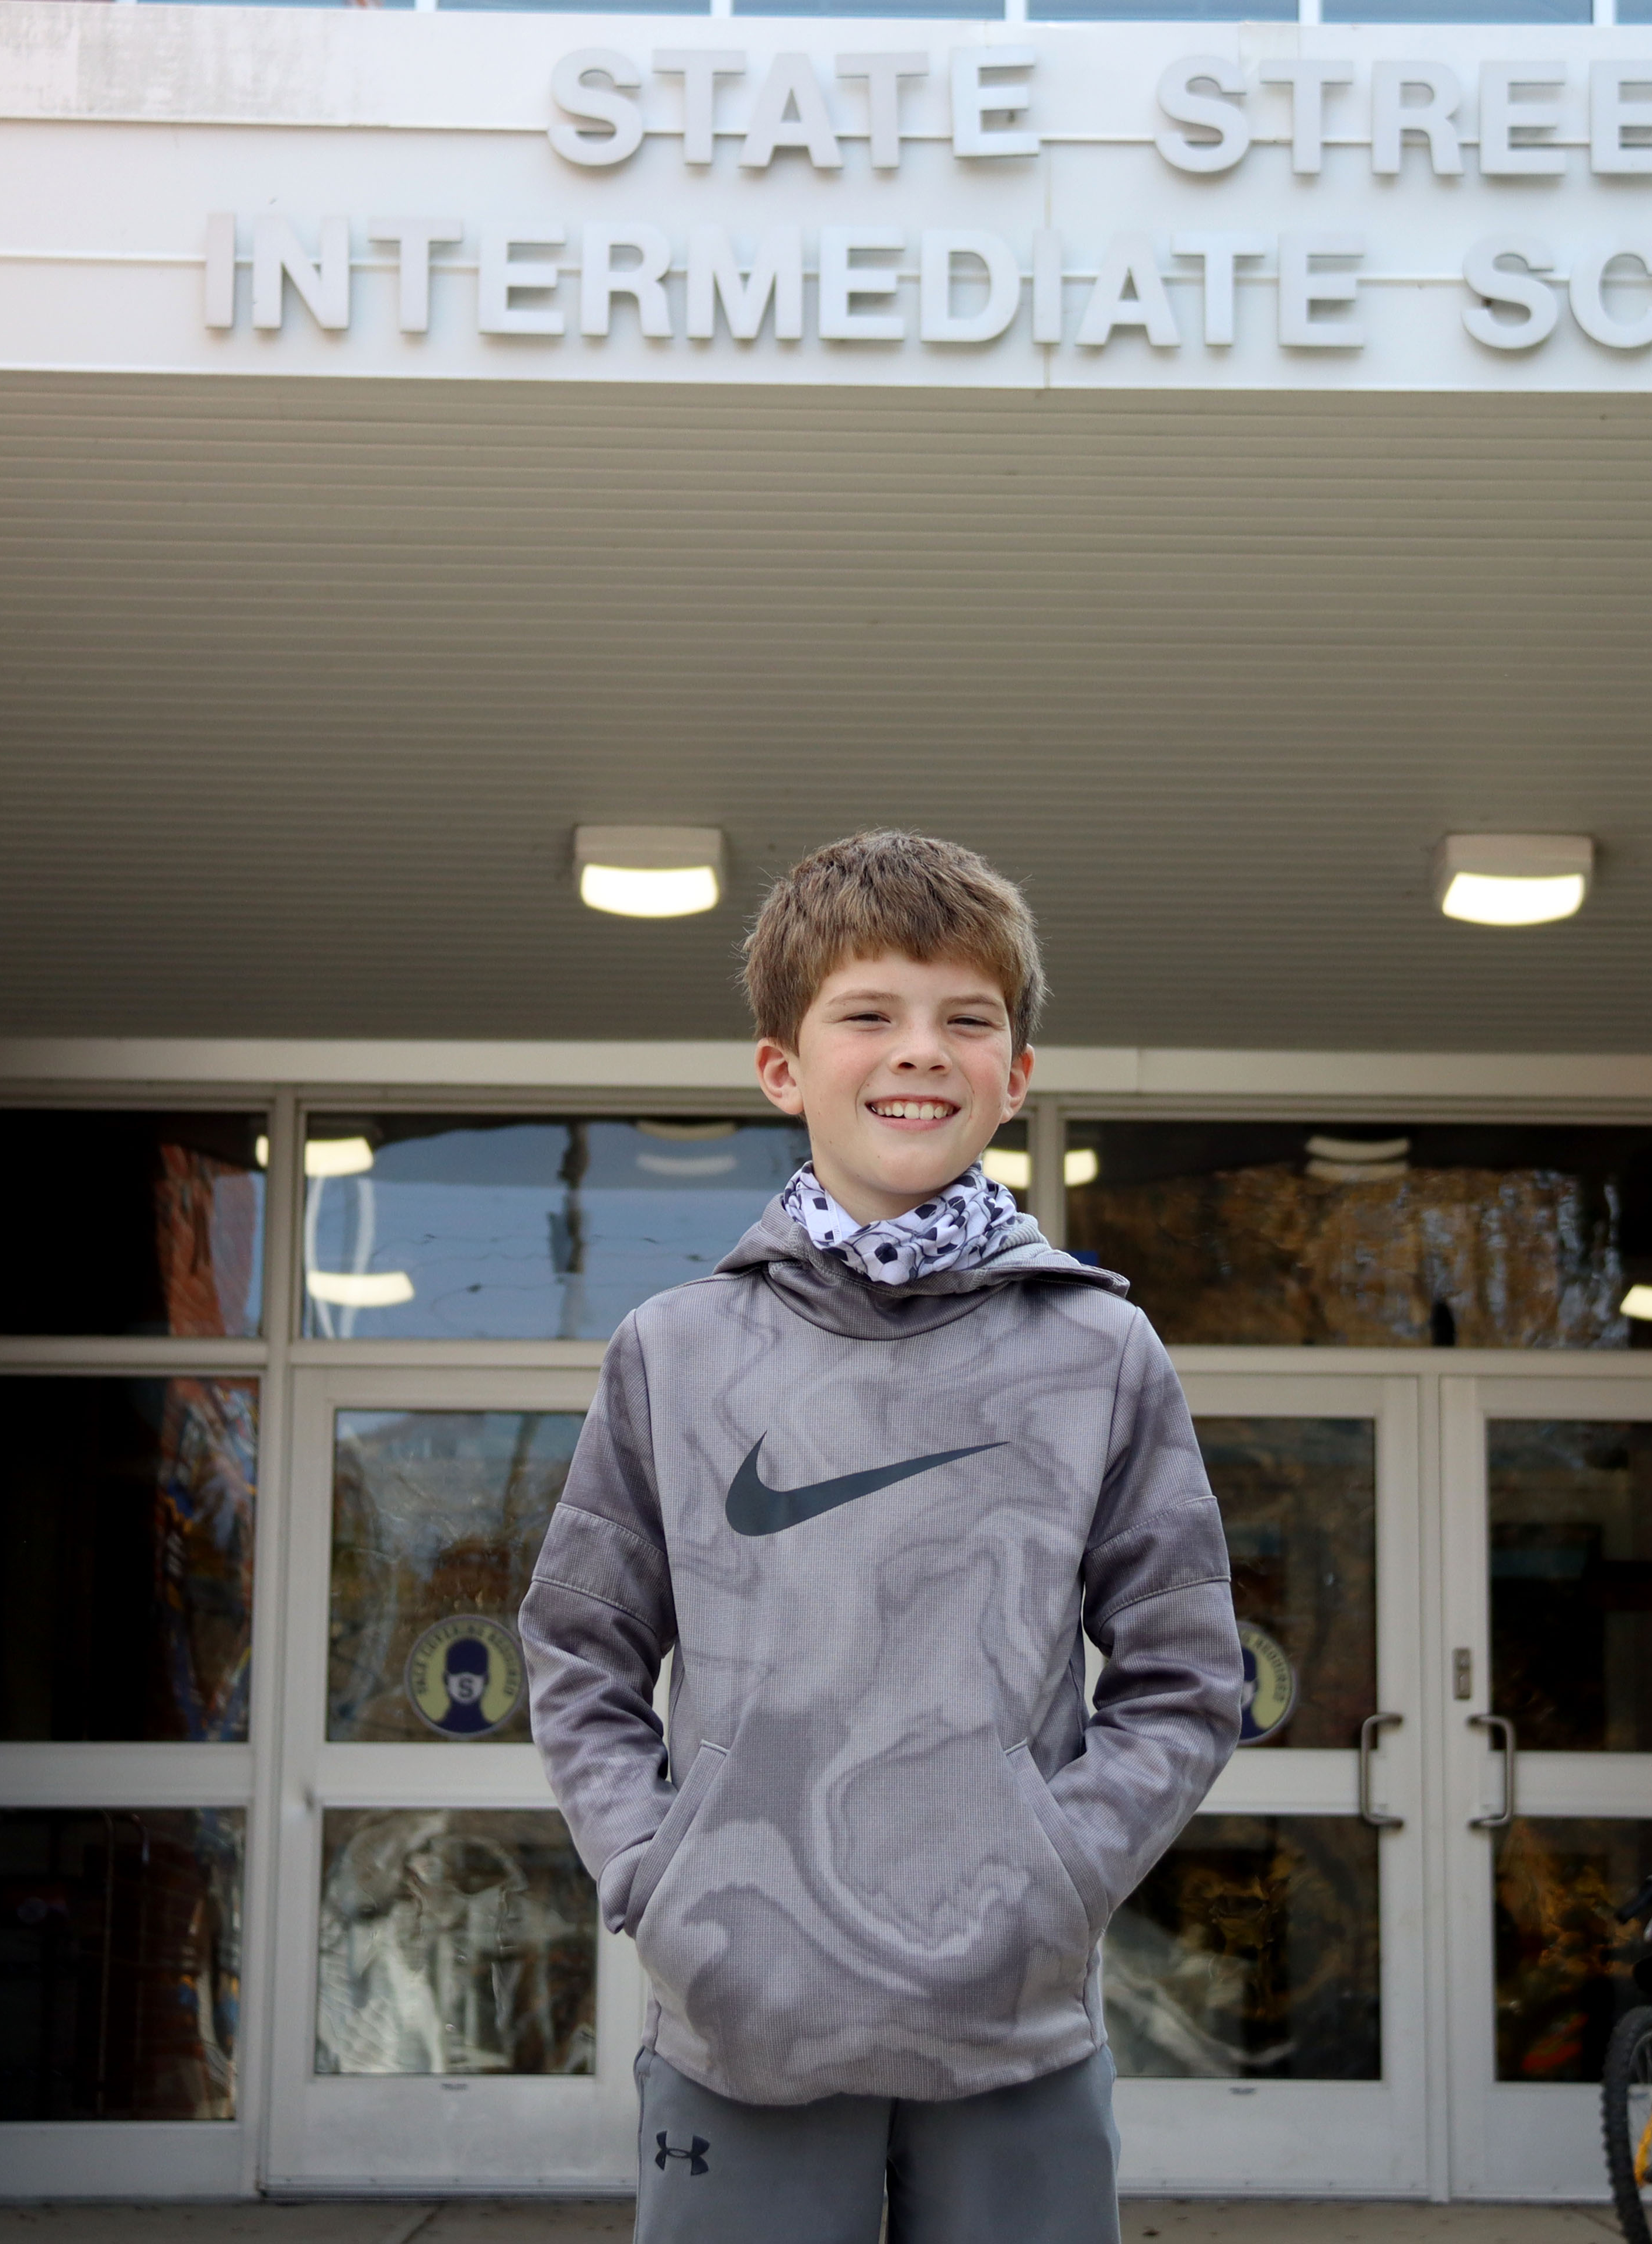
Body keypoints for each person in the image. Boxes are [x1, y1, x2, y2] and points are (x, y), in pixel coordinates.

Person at [521, 829, 1245, 2244]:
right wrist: (661, 1882)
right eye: (869, 1014)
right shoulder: (674, 1351)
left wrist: (1054, 1883)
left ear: (1017, 1075)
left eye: (966, 1020)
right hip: (743, 2017)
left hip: (1014, 2026)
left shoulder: (1101, 1350)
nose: (920, 1052)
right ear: (782, 1068)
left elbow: (1185, 1678)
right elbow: (581, 1650)